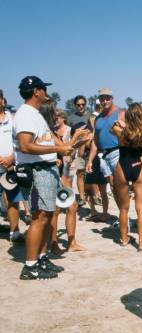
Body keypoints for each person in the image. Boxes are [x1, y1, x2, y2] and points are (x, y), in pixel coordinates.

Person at [13, 76, 73, 279]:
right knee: (39, 217)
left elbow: (45, 141)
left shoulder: (34, 114)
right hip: (37, 171)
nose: (45, 92)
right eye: (43, 89)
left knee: (47, 215)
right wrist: (58, 148)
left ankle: (41, 257)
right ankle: (30, 266)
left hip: (45, 169)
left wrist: (65, 146)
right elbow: (25, 145)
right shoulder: (25, 114)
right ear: (36, 91)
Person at [41, 104, 87, 253]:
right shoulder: (44, 130)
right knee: (56, 209)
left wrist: (80, 140)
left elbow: (67, 149)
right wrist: (76, 137)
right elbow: (64, 148)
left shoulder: (51, 131)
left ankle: (71, 242)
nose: (56, 117)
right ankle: (53, 243)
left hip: (64, 171)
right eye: (54, 114)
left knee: (72, 206)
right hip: (52, 172)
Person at [111, 103, 142, 250]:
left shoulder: (121, 131)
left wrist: (119, 124)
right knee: (141, 208)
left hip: (122, 166)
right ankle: (141, 243)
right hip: (137, 166)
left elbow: (111, 130)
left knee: (123, 208)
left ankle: (124, 239)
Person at [0, 90, 25, 244]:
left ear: (2, 100)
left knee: (13, 201)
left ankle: (14, 233)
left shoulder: (13, 118)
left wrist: (11, 158)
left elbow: (21, 142)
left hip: (10, 167)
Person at [87, 88, 122, 187]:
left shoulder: (121, 113)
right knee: (113, 186)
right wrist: (90, 160)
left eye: (107, 98)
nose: (105, 101)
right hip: (103, 156)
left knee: (120, 186)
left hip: (117, 153)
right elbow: (95, 142)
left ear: (112, 98)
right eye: (102, 99)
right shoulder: (98, 118)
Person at [67, 95, 91, 206]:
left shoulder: (90, 116)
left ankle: (93, 196)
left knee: (90, 174)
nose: (81, 106)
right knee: (80, 173)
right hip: (77, 149)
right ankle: (81, 197)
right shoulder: (71, 118)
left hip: (90, 149)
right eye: (78, 105)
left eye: (83, 104)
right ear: (75, 105)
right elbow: (68, 135)